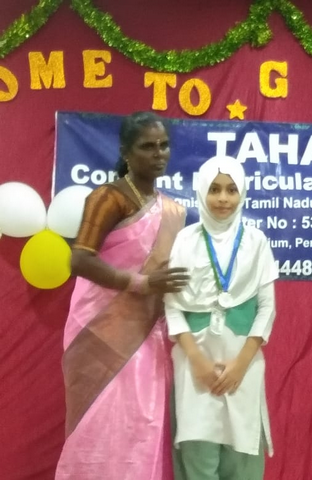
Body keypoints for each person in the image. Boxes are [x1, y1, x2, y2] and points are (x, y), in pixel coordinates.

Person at [56, 112, 190, 480]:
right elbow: (79, 260)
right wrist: (141, 284)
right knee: (100, 426)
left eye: (164, 145)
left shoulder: (173, 210)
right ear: (126, 152)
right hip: (100, 331)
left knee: (142, 424)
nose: (158, 153)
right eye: (147, 146)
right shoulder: (108, 197)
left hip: (149, 333)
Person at [165, 156, 279, 480]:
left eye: (231, 189)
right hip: (195, 368)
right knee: (197, 462)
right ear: (201, 192)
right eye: (214, 189)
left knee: (242, 462)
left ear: (242, 193)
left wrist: (241, 364)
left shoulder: (256, 242)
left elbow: (267, 309)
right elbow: (172, 306)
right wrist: (197, 361)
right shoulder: (185, 240)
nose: (223, 198)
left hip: (243, 366)